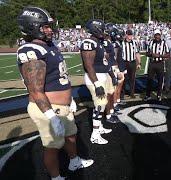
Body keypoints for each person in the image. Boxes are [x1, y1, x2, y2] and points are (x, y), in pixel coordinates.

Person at [17, 7, 94, 180]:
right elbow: (35, 90)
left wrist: (70, 100)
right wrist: (51, 116)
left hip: (63, 106)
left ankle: (74, 161)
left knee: (71, 136)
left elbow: (59, 77)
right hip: (49, 108)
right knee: (52, 147)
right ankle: (56, 177)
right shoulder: (31, 50)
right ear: (32, 27)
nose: (50, 30)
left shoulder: (49, 46)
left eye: (49, 26)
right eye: (45, 26)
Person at [80, 19, 113, 145]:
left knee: (102, 104)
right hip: (95, 78)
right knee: (99, 105)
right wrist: (97, 83)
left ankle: (99, 128)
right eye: (102, 29)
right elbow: (88, 65)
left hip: (101, 76)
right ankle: (95, 134)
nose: (103, 32)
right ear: (95, 29)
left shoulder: (98, 42)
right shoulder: (89, 42)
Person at [144, 29, 170, 101]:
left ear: (160, 35)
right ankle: (148, 95)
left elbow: (168, 54)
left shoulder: (164, 43)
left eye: (158, 35)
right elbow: (147, 53)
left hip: (160, 63)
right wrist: (152, 54)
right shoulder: (151, 42)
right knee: (149, 79)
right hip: (152, 63)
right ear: (154, 35)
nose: (157, 36)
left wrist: (160, 56)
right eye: (156, 35)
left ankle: (159, 95)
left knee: (160, 80)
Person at [121, 29, 141, 98]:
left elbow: (137, 53)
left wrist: (139, 63)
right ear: (126, 35)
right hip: (125, 62)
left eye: (131, 34)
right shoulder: (122, 43)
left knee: (132, 78)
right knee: (124, 78)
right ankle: (122, 93)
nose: (130, 36)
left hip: (132, 62)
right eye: (128, 34)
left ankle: (131, 93)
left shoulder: (134, 43)